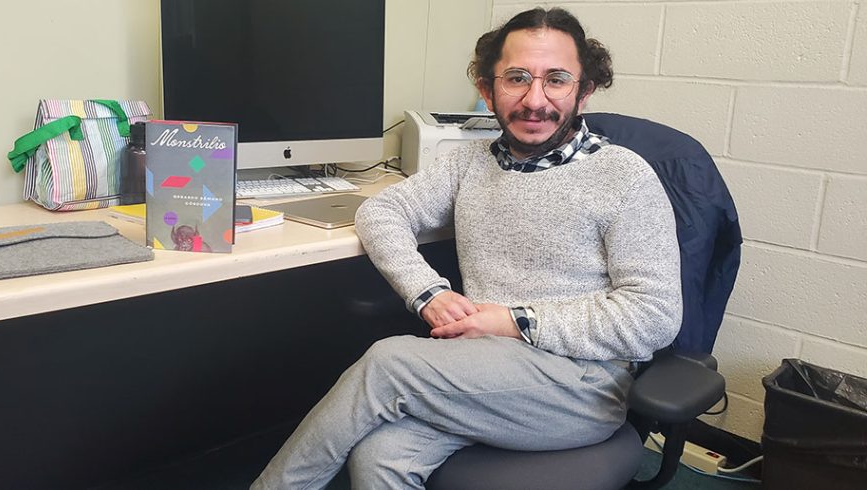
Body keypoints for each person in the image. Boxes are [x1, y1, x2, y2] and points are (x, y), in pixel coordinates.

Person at [252, 7, 682, 489]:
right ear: (486, 89)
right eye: (516, 78)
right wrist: (427, 293)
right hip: (478, 370)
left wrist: (514, 320)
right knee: (380, 455)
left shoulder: (624, 176)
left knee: (388, 363)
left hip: (580, 387)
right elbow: (380, 212)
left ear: (584, 92)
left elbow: (654, 317)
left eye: (556, 80)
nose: (534, 99)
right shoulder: (468, 163)